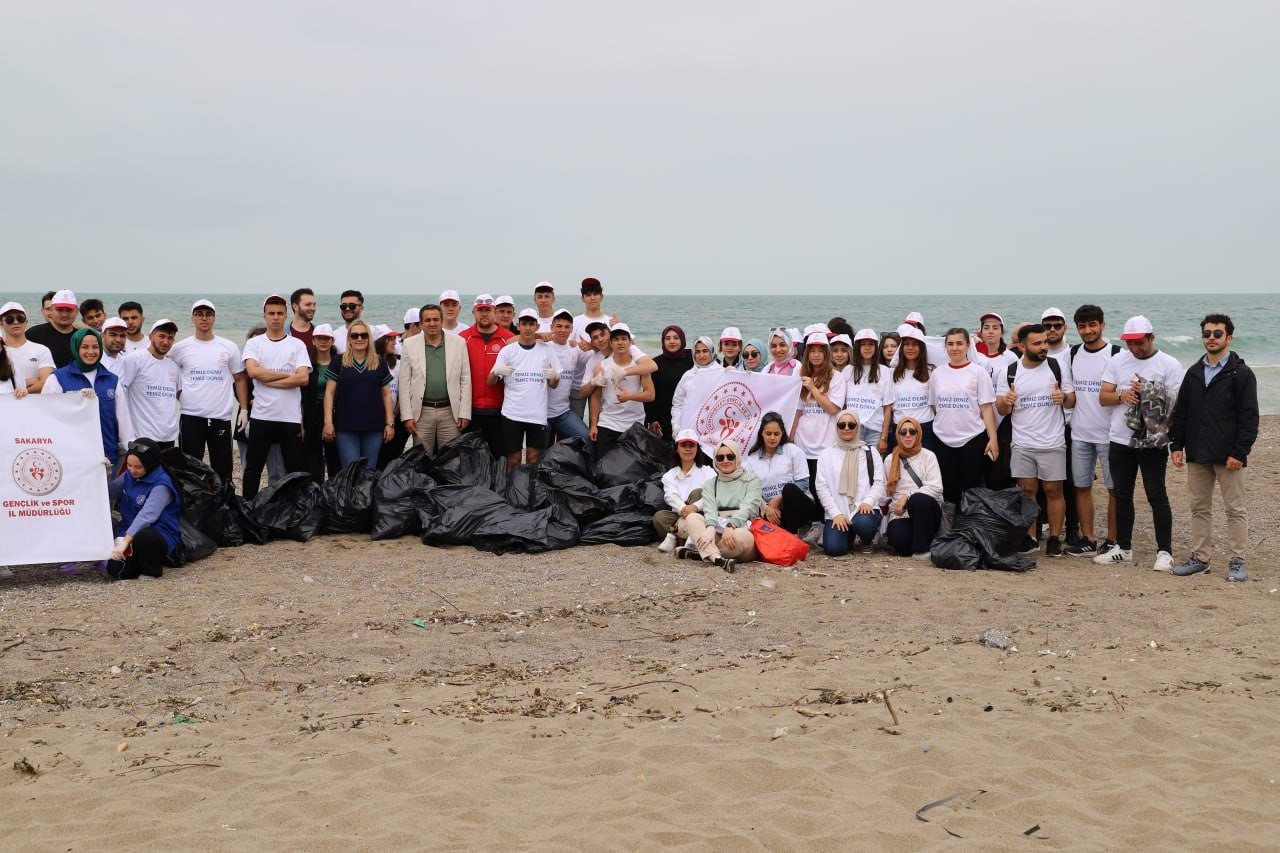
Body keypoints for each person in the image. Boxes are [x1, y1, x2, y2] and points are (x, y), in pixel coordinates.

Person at [1169, 314, 1258, 582]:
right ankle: (1200, 559)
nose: (1211, 338)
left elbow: (1249, 417)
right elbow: (1182, 411)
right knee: (1199, 507)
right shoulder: (1194, 373)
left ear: (1228, 338)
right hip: (1197, 454)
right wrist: (1177, 444)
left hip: (1229, 455)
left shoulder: (1241, 374)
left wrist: (1240, 452)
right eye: (1207, 333)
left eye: (1217, 334)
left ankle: (1237, 561)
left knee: (1235, 509)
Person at [1094, 316, 1183, 570]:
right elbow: (1103, 397)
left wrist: (1150, 391)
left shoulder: (1169, 364)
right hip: (1120, 438)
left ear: (1152, 337)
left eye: (1140, 342)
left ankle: (1164, 552)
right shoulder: (1118, 360)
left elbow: (1178, 404)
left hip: (1153, 440)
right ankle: (1123, 548)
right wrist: (1123, 395)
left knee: (1157, 495)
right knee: (1122, 494)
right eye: (1130, 343)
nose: (1135, 348)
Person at [994, 323, 1076, 557]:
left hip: (1052, 441)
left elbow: (1072, 400)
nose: (1043, 347)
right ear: (1022, 346)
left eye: (1045, 343)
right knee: (1027, 491)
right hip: (1022, 442)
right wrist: (1006, 401)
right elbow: (1001, 409)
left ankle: (1054, 539)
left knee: (1053, 490)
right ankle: (1030, 537)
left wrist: (1064, 397)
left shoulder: (1056, 366)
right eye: (1037, 343)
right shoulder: (1010, 371)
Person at [169, 301, 249, 483]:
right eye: (199, 314)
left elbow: (240, 378)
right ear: (192, 318)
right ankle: (191, 506)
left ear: (214, 318)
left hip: (220, 417)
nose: (204, 318)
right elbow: (168, 375)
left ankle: (224, 507)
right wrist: (179, 395)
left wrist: (243, 409)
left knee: (223, 469)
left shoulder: (228, 346)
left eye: (208, 314)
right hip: (191, 416)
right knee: (189, 469)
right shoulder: (180, 348)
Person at [241, 295, 311, 500]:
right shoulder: (255, 343)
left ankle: (294, 511)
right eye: (271, 313)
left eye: (280, 313)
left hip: (289, 419)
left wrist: (268, 377)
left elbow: (304, 378)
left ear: (286, 315)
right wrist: (289, 376)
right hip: (262, 416)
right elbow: (253, 373)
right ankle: (248, 508)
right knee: (253, 469)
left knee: (295, 471)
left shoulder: (297, 345)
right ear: (264, 316)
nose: (275, 317)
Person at [1064, 305, 1120, 558]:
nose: (1088, 331)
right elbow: (1069, 391)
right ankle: (1088, 539)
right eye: (1082, 326)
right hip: (1080, 434)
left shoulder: (1116, 354)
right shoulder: (1072, 353)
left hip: (1110, 435)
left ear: (1103, 325)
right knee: (1082, 486)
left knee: (1114, 488)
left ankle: (1112, 539)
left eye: (1092, 325)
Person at [40, 327, 131, 467]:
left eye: (95, 347)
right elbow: (46, 418)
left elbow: (123, 418)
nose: (90, 352)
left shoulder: (112, 380)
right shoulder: (57, 379)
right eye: (84, 347)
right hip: (70, 456)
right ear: (75, 348)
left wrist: (128, 449)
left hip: (107, 456)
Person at [930, 328, 999, 507]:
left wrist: (993, 439)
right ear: (945, 347)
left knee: (972, 488)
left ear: (968, 345)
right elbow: (934, 405)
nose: (955, 348)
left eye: (959, 343)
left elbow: (987, 408)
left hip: (972, 438)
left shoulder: (978, 372)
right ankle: (951, 529)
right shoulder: (937, 374)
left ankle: (970, 529)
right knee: (948, 487)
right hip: (942, 439)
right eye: (950, 344)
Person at [676, 439, 761, 573]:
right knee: (692, 518)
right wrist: (710, 528)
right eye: (720, 458)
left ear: (737, 457)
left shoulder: (751, 480)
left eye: (730, 456)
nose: (725, 461)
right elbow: (709, 507)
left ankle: (700, 553)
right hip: (717, 527)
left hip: (742, 528)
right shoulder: (711, 483)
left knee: (740, 538)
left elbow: (748, 507)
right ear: (715, 461)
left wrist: (731, 526)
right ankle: (716, 558)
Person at [399, 303, 472, 457]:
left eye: (436, 319)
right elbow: (404, 383)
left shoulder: (458, 343)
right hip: (422, 413)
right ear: (421, 323)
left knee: (450, 460)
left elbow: (465, 379)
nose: (432, 323)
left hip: (450, 412)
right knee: (421, 460)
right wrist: (407, 416)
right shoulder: (409, 345)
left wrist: (464, 413)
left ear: (442, 320)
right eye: (427, 320)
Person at [489, 309, 558, 470]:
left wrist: (554, 377)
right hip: (512, 413)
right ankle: (511, 491)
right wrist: (496, 372)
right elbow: (490, 381)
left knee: (534, 457)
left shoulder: (547, 351)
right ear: (518, 326)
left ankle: (531, 490)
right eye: (524, 324)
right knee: (514, 458)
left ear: (537, 326)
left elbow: (554, 384)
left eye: (531, 324)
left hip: (537, 414)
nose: (528, 328)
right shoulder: (507, 351)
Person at [322, 318, 394, 472]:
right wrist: (328, 422)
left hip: (374, 426)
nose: (359, 339)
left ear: (369, 338)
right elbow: (329, 393)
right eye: (355, 335)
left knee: (369, 471)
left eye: (363, 335)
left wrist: (389, 423)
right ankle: (351, 498)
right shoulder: (339, 361)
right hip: (345, 426)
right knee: (350, 470)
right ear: (349, 339)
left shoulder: (379, 362)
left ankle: (366, 497)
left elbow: (386, 394)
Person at [106, 441, 182, 580]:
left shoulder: (161, 484)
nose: (133, 470)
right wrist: (106, 474)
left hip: (157, 532)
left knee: (145, 538)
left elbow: (147, 516)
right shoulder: (129, 475)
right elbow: (111, 492)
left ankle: (152, 570)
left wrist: (125, 543)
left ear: (149, 464)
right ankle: (136, 560)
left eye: (138, 467)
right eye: (129, 465)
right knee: (115, 570)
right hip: (127, 530)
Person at [815, 411, 887, 556]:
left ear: (858, 426)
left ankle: (867, 539)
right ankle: (848, 535)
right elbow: (821, 487)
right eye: (842, 425)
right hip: (838, 512)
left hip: (864, 510)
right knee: (834, 549)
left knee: (864, 524)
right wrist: (835, 514)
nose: (846, 428)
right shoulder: (826, 455)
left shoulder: (870, 452)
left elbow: (880, 482)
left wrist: (868, 501)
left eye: (851, 424)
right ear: (837, 428)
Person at [459, 294, 515, 457]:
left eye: (488, 310)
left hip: (501, 410)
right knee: (473, 458)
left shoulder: (509, 339)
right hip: (472, 410)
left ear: (494, 312)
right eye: (480, 310)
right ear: (474, 313)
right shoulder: (463, 338)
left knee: (499, 456)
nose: (484, 314)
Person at [744, 411, 818, 534]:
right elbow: (751, 491)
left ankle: (793, 536)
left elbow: (804, 483)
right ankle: (782, 534)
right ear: (761, 433)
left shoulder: (794, 451)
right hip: (772, 511)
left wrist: (780, 499)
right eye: (768, 433)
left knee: (789, 489)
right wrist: (766, 508)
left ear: (782, 433)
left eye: (776, 433)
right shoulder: (752, 460)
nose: (772, 437)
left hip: (800, 508)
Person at [790, 332, 846, 494]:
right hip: (802, 442)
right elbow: (798, 410)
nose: (816, 355)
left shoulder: (836, 377)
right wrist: (791, 437)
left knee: (825, 487)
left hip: (826, 444)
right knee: (806, 487)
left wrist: (813, 388)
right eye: (812, 350)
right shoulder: (799, 375)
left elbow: (832, 408)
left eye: (820, 351)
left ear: (826, 353)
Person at [588, 323, 655, 457]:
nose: (620, 343)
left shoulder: (640, 367)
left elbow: (650, 395)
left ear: (630, 342)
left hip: (634, 425)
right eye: (616, 339)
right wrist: (593, 425)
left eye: (624, 339)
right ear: (611, 343)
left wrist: (630, 396)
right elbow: (595, 397)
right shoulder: (601, 366)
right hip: (608, 423)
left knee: (634, 469)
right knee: (605, 468)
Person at [884, 417, 944, 559]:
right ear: (898, 435)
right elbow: (886, 492)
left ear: (919, 434)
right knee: (897, 539)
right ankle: (925, 541)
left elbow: (936, 487)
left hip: (927, 510)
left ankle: (922, 550)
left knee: (918, 499)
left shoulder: (929, 456)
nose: (908, 435)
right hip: (901, 513)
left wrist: (907, 496)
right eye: (903, 432)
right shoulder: (890, 459)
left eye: (912, 431)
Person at [116, 319, 182, 449]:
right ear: (151, 336)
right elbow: (119, 394)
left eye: (170, 338)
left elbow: (178, 397)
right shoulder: (134, 360)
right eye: (161, 336)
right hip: (142, 436)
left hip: (168, 436)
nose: (165, 342)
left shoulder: (173, 367)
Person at [653, 429, 714, 553]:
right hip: (679, 515)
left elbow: (714, 495)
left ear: (697, 448)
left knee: (698, 493)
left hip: (702, 515)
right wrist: (684, 509)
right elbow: (670, 496)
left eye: (691, 445)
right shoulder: (669, 475)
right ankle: (689, 537)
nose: (688, 449)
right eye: (684, 445)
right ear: (677, 449)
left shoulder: (708, 471)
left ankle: (675, 535)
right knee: (659, 517)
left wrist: (695, 507)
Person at [543, 310, 592, 448]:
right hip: (542, 413)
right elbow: (518, 341)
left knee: (587, 438)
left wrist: (591, 345)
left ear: (572, 329)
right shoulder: (542, 347)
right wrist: (537, 336)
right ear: (552, 327)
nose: (563, 330)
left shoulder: (574, 349)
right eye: (559, 326)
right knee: (540, 454)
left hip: (563, 412)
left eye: (567, 327)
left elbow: (598, 356)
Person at [568, 278, 615, 418]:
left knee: (599, 426)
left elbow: (623, 348)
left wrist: (593, 347)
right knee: (575, 431)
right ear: (582, 298)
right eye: (588, 294)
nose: (592, 297)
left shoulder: (610, 322)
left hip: (604, 384)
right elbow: (566, 348)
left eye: (595, 294)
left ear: (602, 296)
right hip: (577, 384)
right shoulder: (575, 322)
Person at [846, 328, 894, 452]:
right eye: (863, 344)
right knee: (854, 467)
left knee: (874, 467)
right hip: (852, 428)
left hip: (875, 430)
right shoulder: (847, 371)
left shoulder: (884, 371)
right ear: (857, 347)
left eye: (871, 344)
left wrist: (884, 437)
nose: (867, 348)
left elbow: (887, 406)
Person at [303, 324, 341, 481]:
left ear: (332, 340)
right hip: (312, 414)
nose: (323, 341)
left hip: (336, 413)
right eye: (319, 338)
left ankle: (333, 496)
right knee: (313, 460)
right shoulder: (306, 365)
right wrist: (301, 423)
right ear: (313, 340)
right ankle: (315, 496)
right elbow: (300, 396)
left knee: (335, 460)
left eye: (327, 338)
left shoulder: (340, 363)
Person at [646, 325, 693, 441]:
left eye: (676, 338)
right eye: (667, 338)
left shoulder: (692, 358)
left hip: (689, 417)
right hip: (663, 421)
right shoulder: (655, 363)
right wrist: (652, 419)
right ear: (663, 341)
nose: (672, 342)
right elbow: (648, 393)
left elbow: (710, 363)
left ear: (682, 340)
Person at [891, 324, 935, 450]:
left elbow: (935, 404)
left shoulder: (931, 371)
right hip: (899, 428)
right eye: (907, 344)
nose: (910, 348)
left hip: (924, 427)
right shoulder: (891, 372)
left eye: (915, 344)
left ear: (922, 348)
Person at [670, 336, 723, 434]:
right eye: (697, 352)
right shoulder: (688, 376)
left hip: (715, 429)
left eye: (705, 351)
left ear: (712, 351)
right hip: (689, 429)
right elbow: (677, 404)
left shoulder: (722, 373)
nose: (701, 355)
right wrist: (676, 426)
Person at [0, 301, 55, 392]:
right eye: (10, 319)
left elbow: (47, 382)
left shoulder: (42, 350)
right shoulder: (1, 352)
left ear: (26, 322)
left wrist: (22, 392)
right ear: (1, 323)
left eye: (20, 318)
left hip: (34, 405)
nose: (16, 322)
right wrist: (24, 387)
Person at [26, 288, 79, 367]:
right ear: (51, 311)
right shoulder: (33, 334)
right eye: (59, 310)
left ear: (77, 311)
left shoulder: (82, 337)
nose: (64, 314)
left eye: (69, 310)